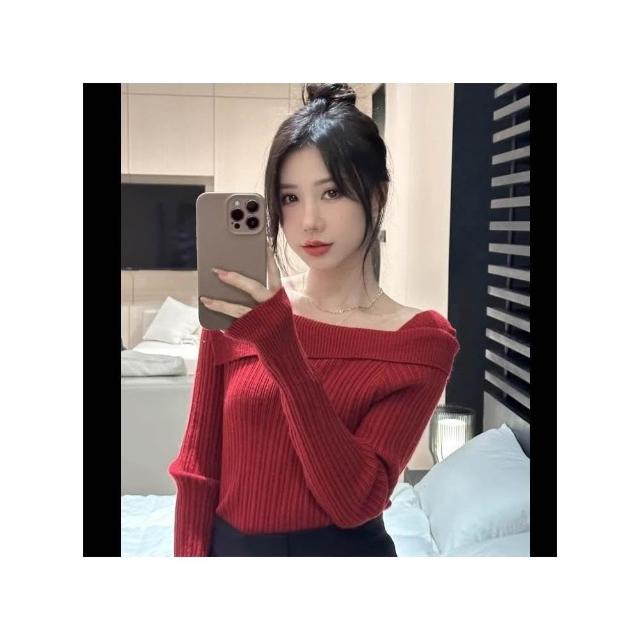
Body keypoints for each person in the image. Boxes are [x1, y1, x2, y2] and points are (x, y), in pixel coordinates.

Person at [168, 83, 460, 557]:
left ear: (378, 196)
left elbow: (356, 502)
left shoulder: (420, 341)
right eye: (290, 198)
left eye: (332, 192)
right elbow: (198, 469)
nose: (309, 221)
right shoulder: (242, 311)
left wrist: (282, 348)